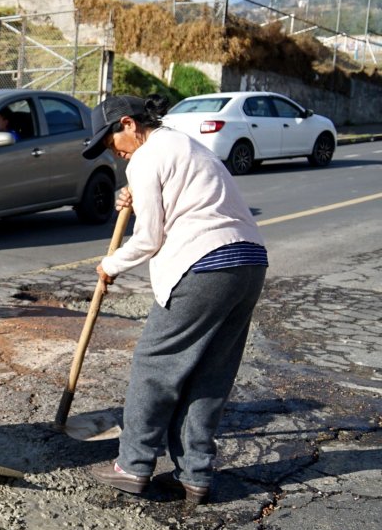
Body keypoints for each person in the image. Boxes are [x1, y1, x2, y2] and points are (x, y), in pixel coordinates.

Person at [82, 94, 268, 505]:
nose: (112, 151)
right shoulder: (184, 144)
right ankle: (195, 475)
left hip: (204, 264)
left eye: (110, 140)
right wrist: (136, 192)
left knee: (155, 365)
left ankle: (132, 465)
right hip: (249, 261)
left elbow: (149, 238)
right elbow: (177, 194)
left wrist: (111, 265)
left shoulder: (145, 157)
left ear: (128, 124)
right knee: (209, 373)